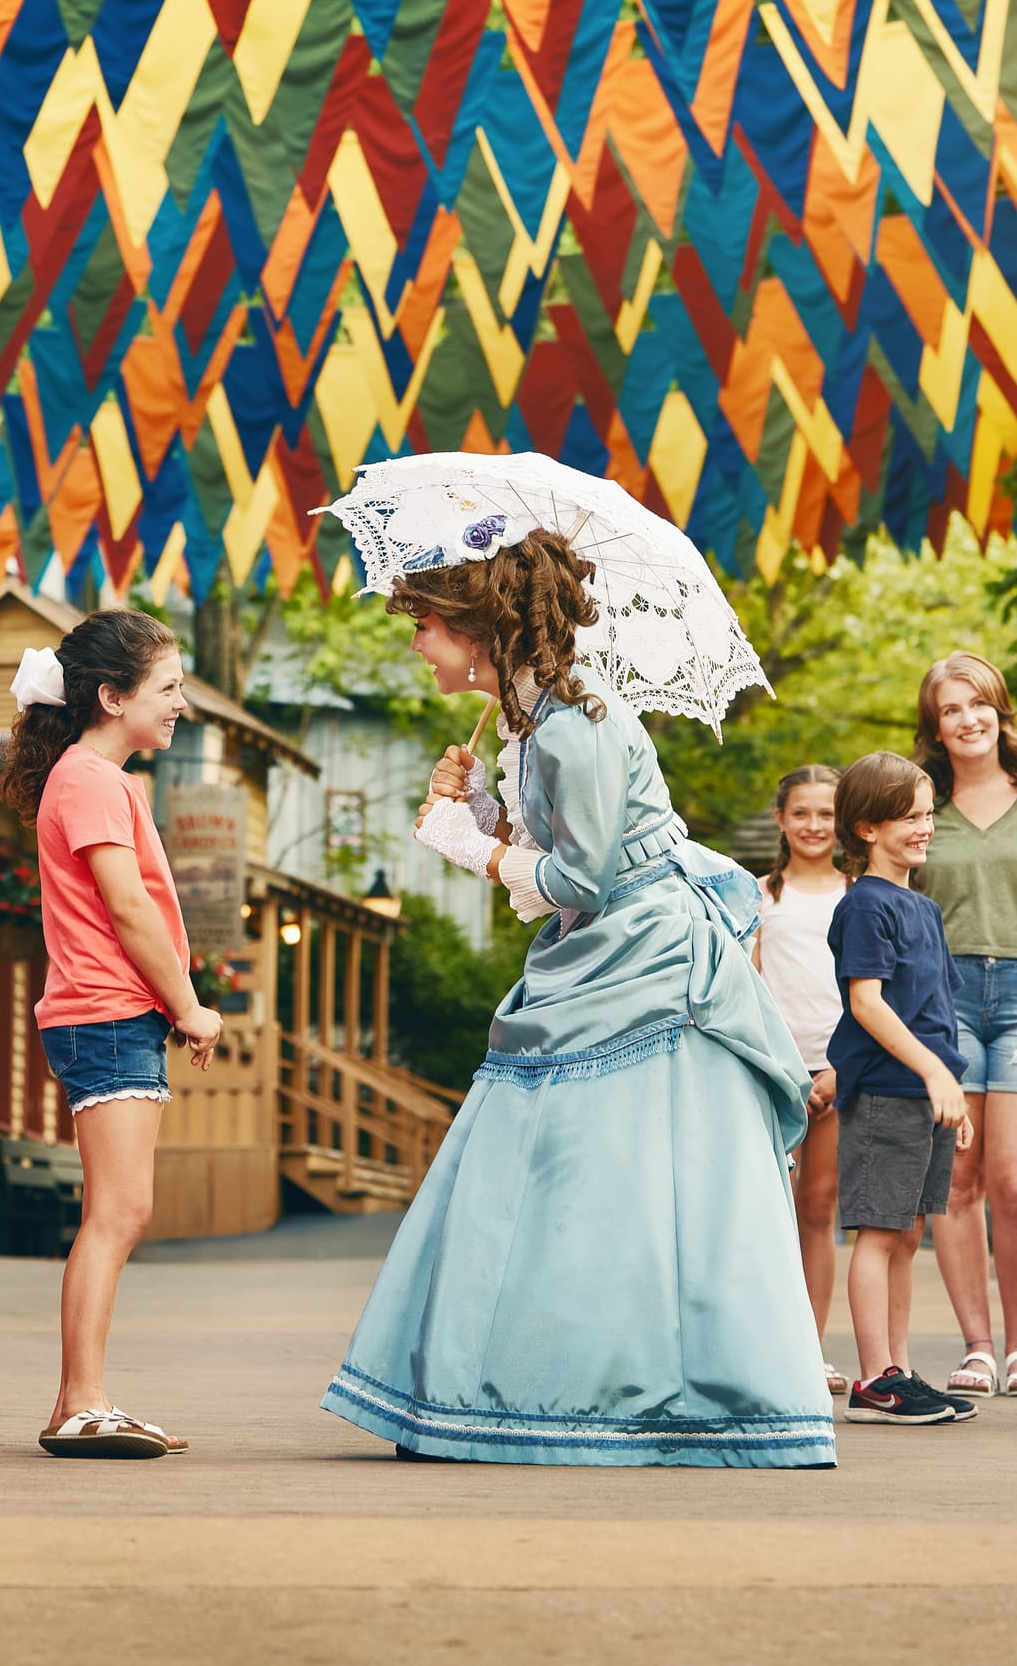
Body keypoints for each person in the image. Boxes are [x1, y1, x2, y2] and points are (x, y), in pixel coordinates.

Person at [321, 531, 835, 1468]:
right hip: (584, 960)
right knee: (556, 1181)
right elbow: (556, 855)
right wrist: (479, 809)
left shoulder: (574, 722)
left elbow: (583, 877)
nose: (415, 646)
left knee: (625, 1186)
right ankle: (525, 1384)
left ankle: (646, 1395)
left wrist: (466, 843)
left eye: (424, 627)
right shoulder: (532, 722)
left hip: (645, 965)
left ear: (477, 631)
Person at [3, 612, 224, 1459]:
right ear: (111, 695)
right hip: (106, 1010)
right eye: (167, 688)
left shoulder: (102, 779)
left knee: (121, 1209)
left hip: (112, 1012)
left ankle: (82, 1399)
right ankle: (78, 1402)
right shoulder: (92, 779)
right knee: (118, 1210)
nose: (179, 704)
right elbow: (128, 909)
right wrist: (190, 1004)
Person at [913, 654, 1017, 1398]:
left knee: (1016, 1181)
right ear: (935, 727)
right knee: (956, 1179)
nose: (967, 719)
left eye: (978, 703)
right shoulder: (918, 802)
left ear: (1000, 710)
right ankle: (976, 1346)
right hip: (942, 997)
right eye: (951, 709)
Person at [827, 752, 977, 1426]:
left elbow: (934, 1005)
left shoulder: (921, 905)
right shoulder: (864, 905)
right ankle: (872, 1380)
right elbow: (868, 1003)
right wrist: (932, 1071)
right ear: (865, 827)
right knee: (880, 1231)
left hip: (925, 1092)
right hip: (889, 1090)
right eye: (908, 817)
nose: (925, 827)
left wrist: (951, 1083)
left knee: (907, 1229)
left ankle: (900, 1368)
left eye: (926, 814)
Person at [753, 765, 847, 1386]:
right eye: (802, 813)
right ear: (782, 819)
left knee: (818, 1210)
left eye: (826, 814)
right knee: (769, 1210)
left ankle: (811, 1351)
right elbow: (750, 984)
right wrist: (783, 1067)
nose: (814, 825)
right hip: (776, 1070)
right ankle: (770, 1348)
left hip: (840, 1070)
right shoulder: (760, 895)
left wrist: (838, 1069)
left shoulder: (859, 891)